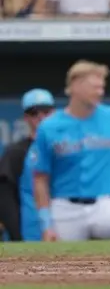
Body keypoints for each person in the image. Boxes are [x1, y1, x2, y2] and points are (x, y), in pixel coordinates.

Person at [30, 60, 110, 241]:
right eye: (95, 87)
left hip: (105, 202)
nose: (100, 92)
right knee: (58, 259)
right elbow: (40, 179)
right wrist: (46, 224)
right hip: (66, 206)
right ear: (75, 86)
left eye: (102, 87)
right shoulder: (49, 126)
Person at [0, 88, 55, 241]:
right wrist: (16, 235)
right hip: (32, 232)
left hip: (69, 224)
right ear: (26, 118)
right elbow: (5, 197)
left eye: (46, 111)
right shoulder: (16, 152)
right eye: (34, 113)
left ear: (54, 112)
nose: (40, 117)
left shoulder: (67, 148)